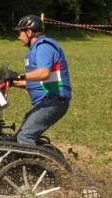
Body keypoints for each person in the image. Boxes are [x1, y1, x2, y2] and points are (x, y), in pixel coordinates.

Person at [11, 15, 72, 145]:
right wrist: (13, 82)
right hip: (49, 100)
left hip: (54, 101)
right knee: (18, 136)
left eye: (20, 32)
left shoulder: (44, 47)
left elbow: (44, 73)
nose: (18, 37)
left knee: (25, 137)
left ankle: (31, 165)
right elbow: (39, 82)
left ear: (29, 32)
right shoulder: (37, 48)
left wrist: (19, 75)